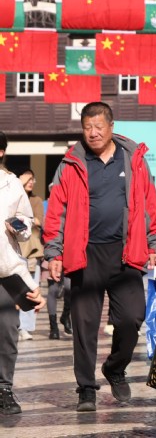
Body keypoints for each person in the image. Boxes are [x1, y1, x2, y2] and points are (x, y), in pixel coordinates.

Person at [42, 101, 156, 412]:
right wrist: (54, 251)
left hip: (126, 253)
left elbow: (150, 203)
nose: (93, 133)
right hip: (84, 255)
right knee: (84, 326)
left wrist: (155, 244)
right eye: (87, 127)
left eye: (98, 126)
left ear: (111, 126)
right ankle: (86, 388)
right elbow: (57, 210)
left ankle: (115, 367)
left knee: (132, 318)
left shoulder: (133, 158)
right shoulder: (71, 163)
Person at [1, 132, 46, 415]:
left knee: (6, 330)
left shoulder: (12, 184)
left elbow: (27, 223)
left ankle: (3, 388)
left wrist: (19, 225)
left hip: (5, 270)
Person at [16, 171, 42, 340]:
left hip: (31, 250)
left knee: (31, 289)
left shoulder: (36, 200)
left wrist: (23, 219)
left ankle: (25, 327)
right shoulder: (13, 197)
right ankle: (14, 324)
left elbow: (40, 221)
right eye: (27, 178)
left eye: (33, 178)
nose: (31, 181)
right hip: (13, 251)